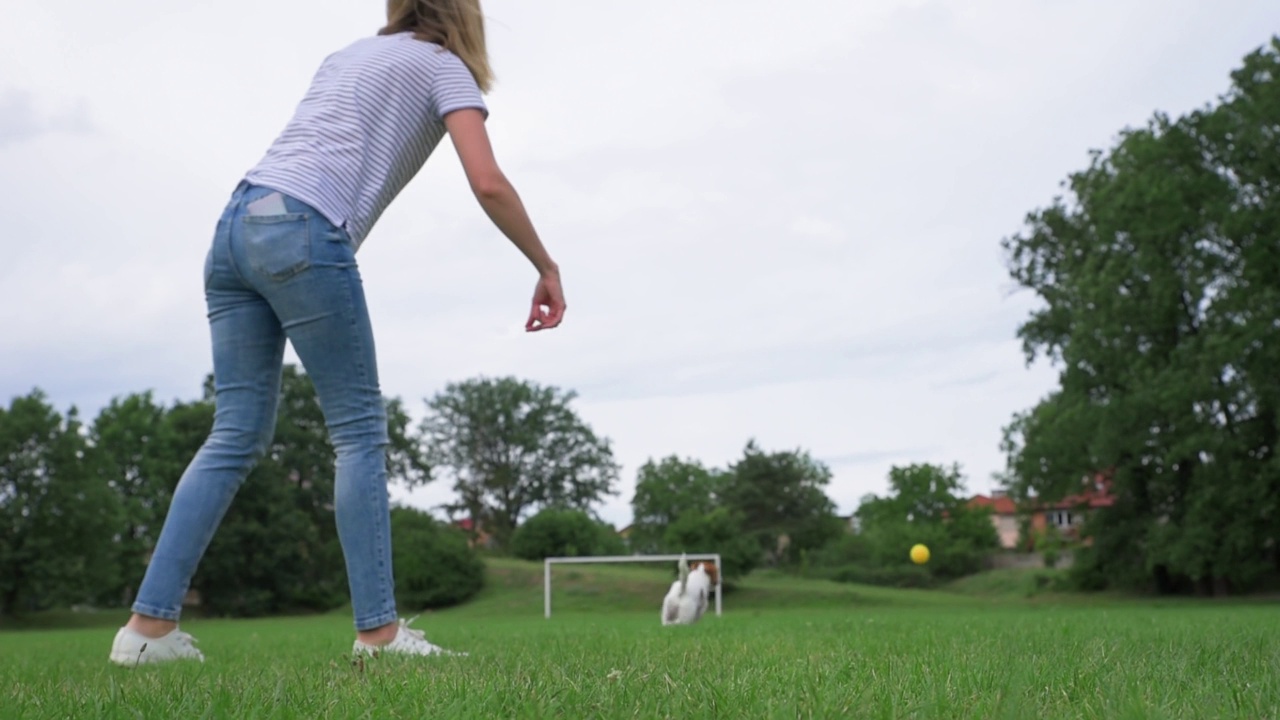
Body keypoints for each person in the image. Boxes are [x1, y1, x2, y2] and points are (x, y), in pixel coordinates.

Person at [108, 0, 564, 665]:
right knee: (357, 434)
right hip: (302, 229)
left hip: (235, 224)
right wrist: (545, 265)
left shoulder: (347, 55)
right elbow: (488, 182)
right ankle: (378, 635)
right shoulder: (446, 68)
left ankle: (144, 634)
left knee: (233, 434)